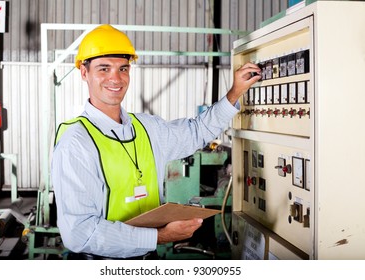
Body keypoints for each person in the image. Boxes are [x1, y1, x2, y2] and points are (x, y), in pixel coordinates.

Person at [51, 24, 261, 260]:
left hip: (146, 258)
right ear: (83, 72)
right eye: (104, 68)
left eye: (123, 68)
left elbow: (197, 131)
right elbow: (80, 234)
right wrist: (159, 236)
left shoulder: (146, 128)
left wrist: (234, 93)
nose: (116, 78)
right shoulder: (76, 142)